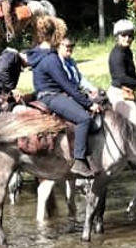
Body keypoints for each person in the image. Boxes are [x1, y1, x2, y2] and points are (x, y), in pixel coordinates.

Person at [26, 17, 101, 177]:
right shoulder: (51, 59)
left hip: (50, 94)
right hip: (51, 96)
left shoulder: (38, 53)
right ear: (56, 35)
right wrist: (88, 104)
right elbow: (67, 85)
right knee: (84, 119)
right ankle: (79, 161)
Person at [107, 19, 136, 126]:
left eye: (130, 36)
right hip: (118, 93)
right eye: (124, 35)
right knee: (135, 120)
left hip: (128, 91)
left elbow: (131, 72)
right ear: (117, 37)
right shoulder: (117, 55)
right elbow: (122, 78)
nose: (127, 38)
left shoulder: (127, 51)